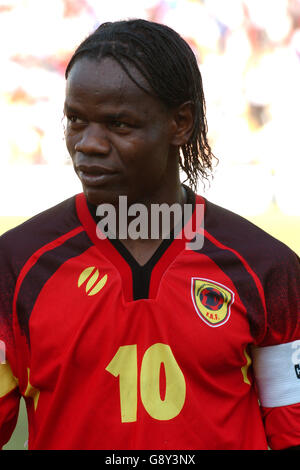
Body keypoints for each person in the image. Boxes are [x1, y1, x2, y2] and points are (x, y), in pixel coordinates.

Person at [0, 19, 299, 451]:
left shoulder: (266, 267)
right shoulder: (15, 265)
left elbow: (293, 431)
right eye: (76, 119)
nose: (88, 143)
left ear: (180, 123)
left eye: (118, 124)